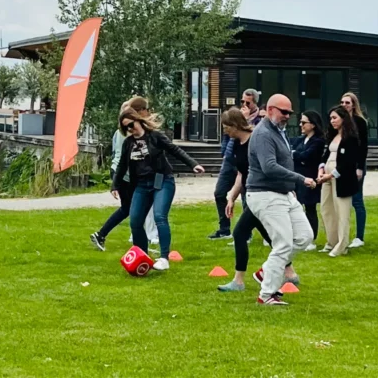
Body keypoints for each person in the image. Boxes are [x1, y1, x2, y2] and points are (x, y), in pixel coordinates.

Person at [216, 108, 300, 292]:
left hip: (265, 194)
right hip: (252, 195)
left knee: (239, 233)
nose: (224, 131)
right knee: (268, 234)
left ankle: (239, 281)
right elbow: (241, 173)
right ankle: (290, 272)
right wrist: (232, 196)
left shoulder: (258, 139)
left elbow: (277, 164)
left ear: (234, 125)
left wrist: (289, 188)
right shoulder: (237, 143)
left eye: (225, 126)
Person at [112, 108, 204, 271]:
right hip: (141, 184)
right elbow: (121, 166)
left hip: (162, 180)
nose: (130, 129)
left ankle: (164, 258)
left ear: (138, 120)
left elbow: (175, 150)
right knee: (135, 221)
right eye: (126, 128)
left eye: (131, 125)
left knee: (159, 216)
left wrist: (193, 164)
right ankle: (142, 257)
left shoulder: (155, 136)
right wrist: (115, 185)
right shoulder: (128, 143)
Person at [246, 94, 315, 306]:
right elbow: (269, 167)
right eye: (283, 112)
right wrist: (300, 179)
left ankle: (266, 271)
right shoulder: (264, 133)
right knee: (283, 243)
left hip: (283, 193)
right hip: (264, 193)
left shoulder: (279, 131)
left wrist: (290, 187)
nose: (287, 116)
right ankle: (266, 294)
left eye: (290, 113)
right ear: (270, 109)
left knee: (305, 236)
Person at [91, 98, 158, 251]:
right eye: (146, 109)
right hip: (126, 175)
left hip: (120, 172)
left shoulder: (120, 130)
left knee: (131, 208)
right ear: (140, 111)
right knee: (131, 208)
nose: (148, 112)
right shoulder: (132, 130)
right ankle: (102, 235)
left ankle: (138, 241)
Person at [209, 88, 262, 240]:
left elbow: (249, 136)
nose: (244, 105)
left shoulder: (259, 120)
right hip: (231, 161)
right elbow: (228, 141)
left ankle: (248, 233)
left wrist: (245, 121)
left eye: (248, 102)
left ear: (254, 103)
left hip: (248, 165)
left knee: (248, 199)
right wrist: (225, 153)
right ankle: (224, 229)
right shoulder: (232, 120)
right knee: (220, 193)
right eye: (242, 101)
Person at [317, 105, 362, 257]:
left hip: (342, 178)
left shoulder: (351, 138)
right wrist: (321, 170)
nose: (332, 121)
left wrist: (331, 175)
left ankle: (342, 245)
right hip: (327, 177)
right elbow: (325, 155)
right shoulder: (332, 135)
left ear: (344, 118)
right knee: (326, 209)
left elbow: (349, 162)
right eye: (330, 118)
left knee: (342, 212)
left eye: (335, 118)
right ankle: (332, 241)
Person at [291, 110, 325, 251]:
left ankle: (312, 238)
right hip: (298, 177)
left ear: (313, 125)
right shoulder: (300, 139)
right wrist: (297, 155)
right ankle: (298, 235)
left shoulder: (318, 141)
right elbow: (293, 153)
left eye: (304, 122)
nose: (301, 125)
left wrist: (296, 155)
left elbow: (307, 156)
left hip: (310, 177)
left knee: (310, 208)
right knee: (296, 207)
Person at [340, 92, 369, 248]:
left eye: (347, 103)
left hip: (356, 164)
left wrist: (359, 167)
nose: (344, 105)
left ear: (353, 105)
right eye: (342, 102)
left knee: (357, 200)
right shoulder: (340, 121)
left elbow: (363, 147)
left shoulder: (360, 122)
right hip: (342, 164)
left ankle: (359, 236)